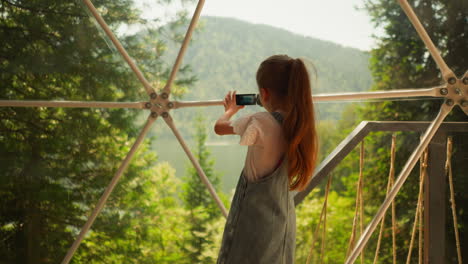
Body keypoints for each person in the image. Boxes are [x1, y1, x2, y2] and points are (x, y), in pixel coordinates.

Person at [214, 54, 319, 264]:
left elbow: (219, 128)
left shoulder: (260, 122)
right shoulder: (298, 125)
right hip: (281, 223)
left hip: (253, 226)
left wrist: (230, 111)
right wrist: (269, 102)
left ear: (264, 93)